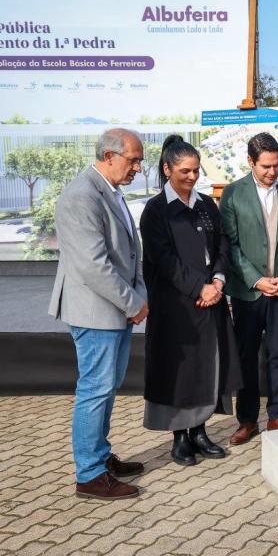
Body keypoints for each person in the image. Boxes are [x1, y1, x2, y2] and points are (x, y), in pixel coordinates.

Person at [49, 128, 148, 500]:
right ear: (109, 156)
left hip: (113, 311)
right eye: (133, 159)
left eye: (139, 160)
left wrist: (136, 296)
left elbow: (128, 254)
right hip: (96, 313)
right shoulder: (81, 195)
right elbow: (94, 266)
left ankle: (100, 457)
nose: (138, 167)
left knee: (105, 388)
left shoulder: (108, 190)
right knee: (95, 389)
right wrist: (135, 303)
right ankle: (89, 474)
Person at [139, 135, 242, 466]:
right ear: (167, 169)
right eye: (185, 171)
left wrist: (218, 280)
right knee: (180, 372)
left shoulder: (205, 204)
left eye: (197, 170)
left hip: (210, 302)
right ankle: (180, 438)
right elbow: (164, 260)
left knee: (206, 368)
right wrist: (200, 288)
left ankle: (200, 431)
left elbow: (223, 244)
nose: (192, 177)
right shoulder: (156, 212)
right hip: (177, 309)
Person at [220, 132, 278, 445]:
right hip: (248, 292)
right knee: (245, 356)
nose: (272, 172)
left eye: (276, 165)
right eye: (266, 166)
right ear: (250, 162)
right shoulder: (232, 195)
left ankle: (277, 415)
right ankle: (247, 420)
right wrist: (256, 280)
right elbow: (229, 245)